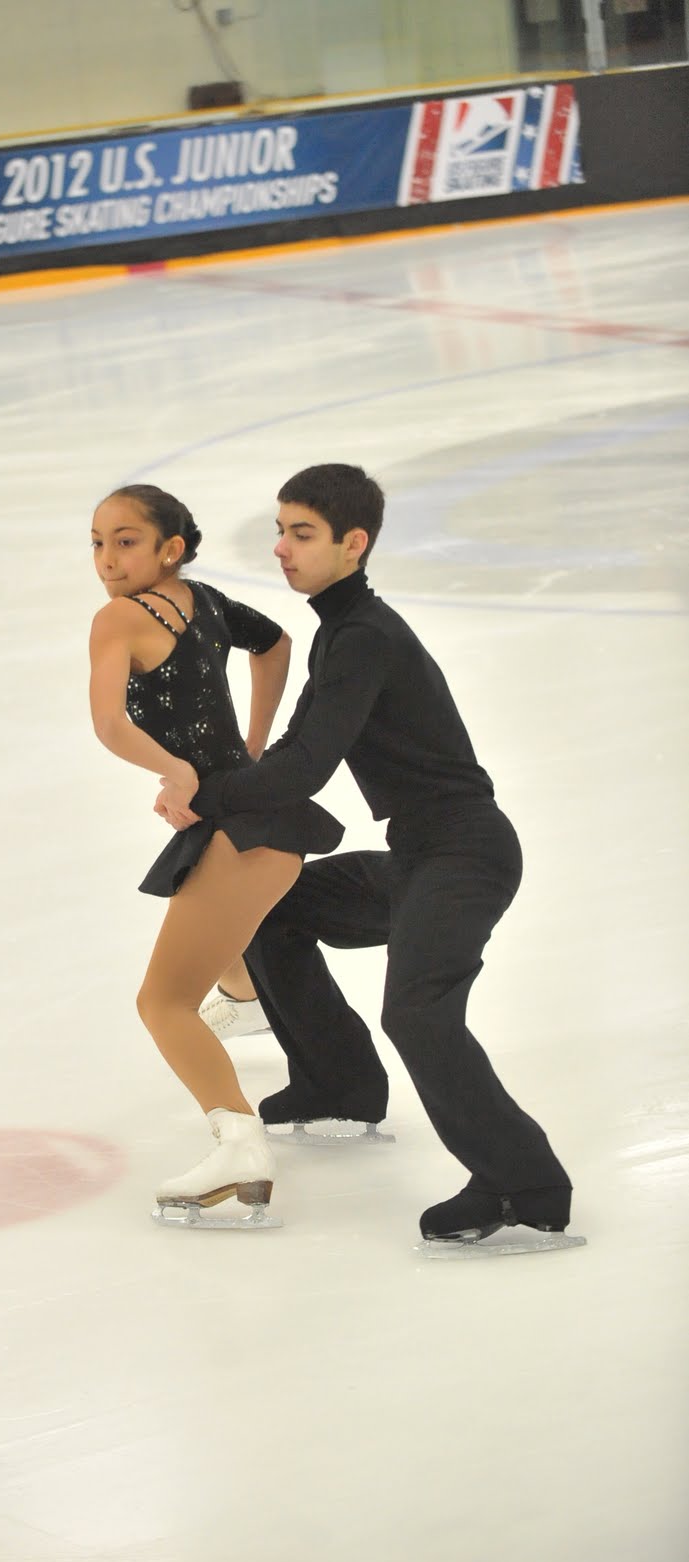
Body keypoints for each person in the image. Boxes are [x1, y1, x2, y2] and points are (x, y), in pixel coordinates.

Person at [159, 463, 573, 1246]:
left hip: (465, 853)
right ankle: (337, 1084)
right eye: (280, 528)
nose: (281, 547)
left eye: (302, 533)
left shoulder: (365, 639)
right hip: (416, 853)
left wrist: (207, 796)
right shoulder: (340, 634)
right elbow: (291, 751)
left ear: (355, 543)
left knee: (416, 1012)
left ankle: (525, 1183)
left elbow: (308, 764)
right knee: (270, 909)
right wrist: (218, 789)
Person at [88, 483, 342, 1225]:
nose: (107, 559)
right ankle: (244, 996)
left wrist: (180, 771)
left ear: (170, 548)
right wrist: (252, 750)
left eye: (126, 540)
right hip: (264, 823)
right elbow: (274, 645)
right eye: (98, 542)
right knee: (209, 916)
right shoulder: (200, 601)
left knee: (161, 1002)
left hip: (238, 834)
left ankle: (237, 1143)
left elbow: (107, 725)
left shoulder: (119, 618)